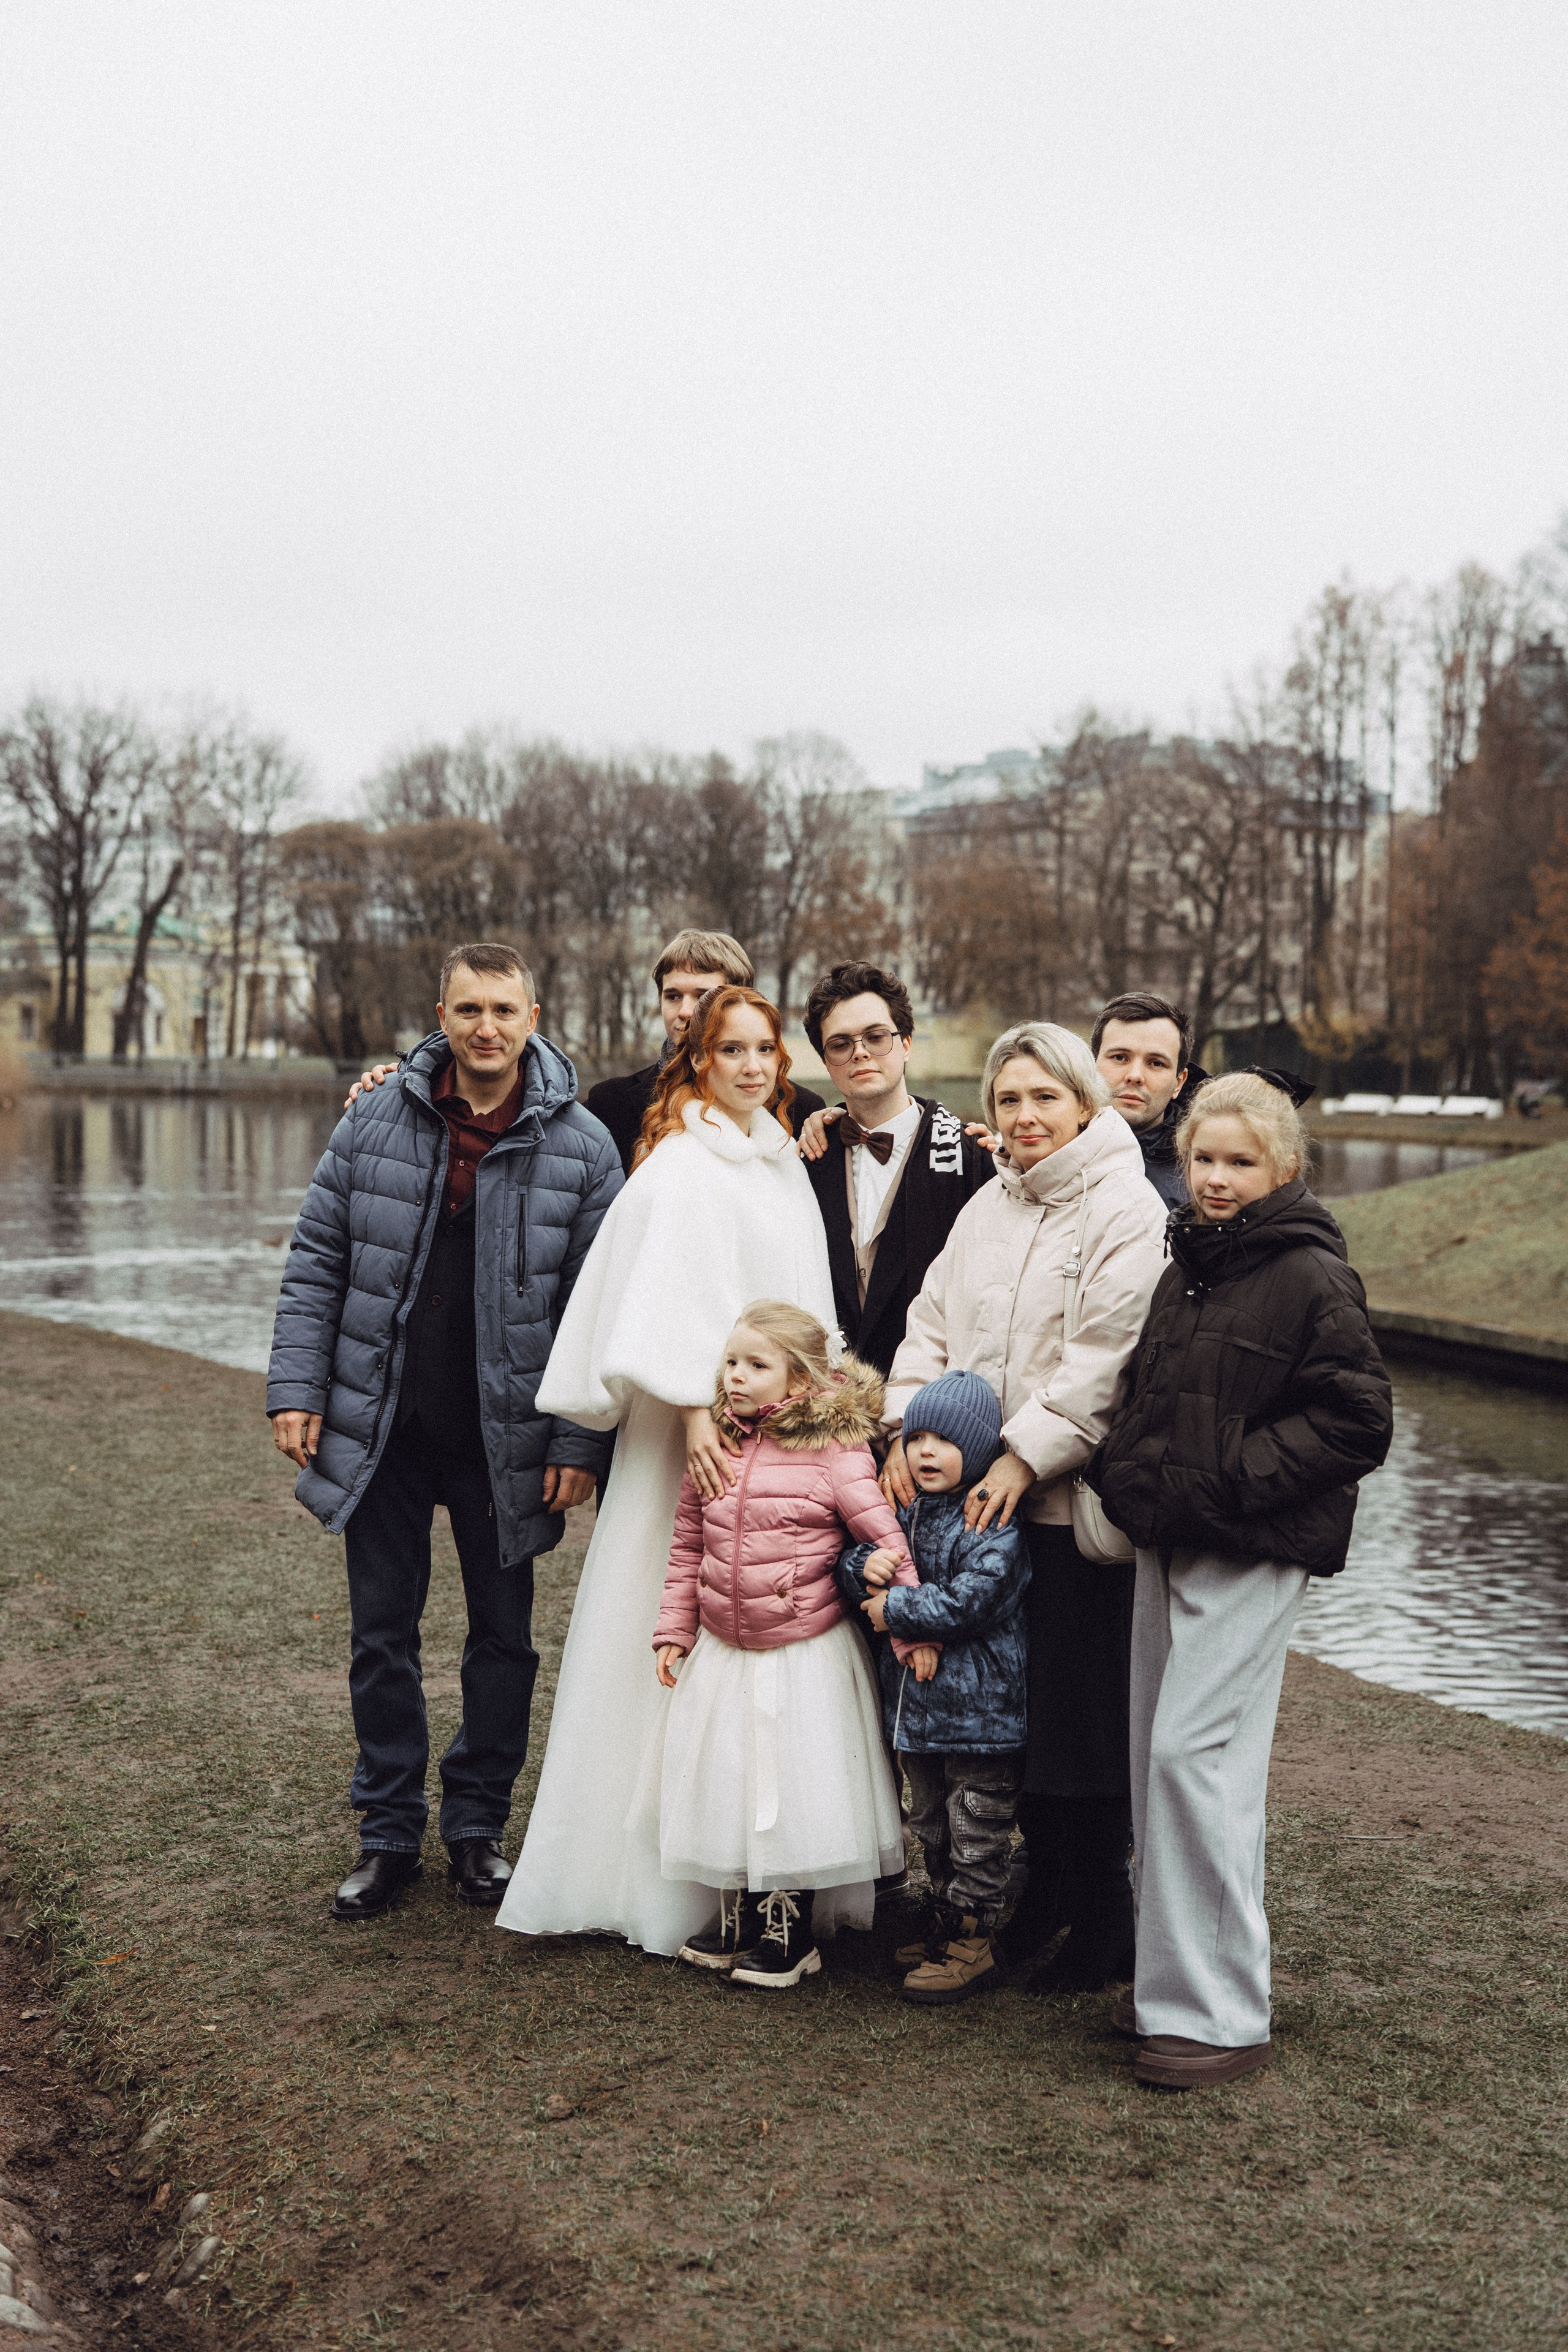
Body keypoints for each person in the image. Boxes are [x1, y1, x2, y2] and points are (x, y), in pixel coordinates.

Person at [266, 944, 623, 1921]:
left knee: (503, 1640)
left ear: (533, 1014)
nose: (486, 1028)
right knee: (381, 1636)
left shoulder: (585, 1146)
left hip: (506, 1439)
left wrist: (577, 1445)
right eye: (468, 1009)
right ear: (442, 1013)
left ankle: (475, 1832)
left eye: (504, 1009)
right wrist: (295, 1391)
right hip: (383, 1424)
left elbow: (600, 1312)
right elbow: (317, 1262)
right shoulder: (375, 1117)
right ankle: (387, 1838)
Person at [495, 986, 842, 1957]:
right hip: (690, 1445)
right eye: (728, 1050)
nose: (749, 1066)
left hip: (785, 1440)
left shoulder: (780, 1164)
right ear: (697, 1060)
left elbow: (801, 1306)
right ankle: (650, 1873)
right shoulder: (679, 1167)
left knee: (770, 1635)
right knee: (670, 1624)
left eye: (763, 1049)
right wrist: (697, 1408)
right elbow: (653, 1306)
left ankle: (761, 1867)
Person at [1084, 1071, 1392, 2090]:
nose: (1215, 1180)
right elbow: (1152, 1392)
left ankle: (1224, 2016)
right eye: (1203, 1160)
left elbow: (1358, 1421)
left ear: (1285, 1169)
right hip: (1173, 1539)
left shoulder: (1310, 1274)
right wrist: (1132, 1473)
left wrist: (1226, 1483)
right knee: (1154, 1766)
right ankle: (1172, 1990)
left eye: (1239, 1163)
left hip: (1250, 1546)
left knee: (1194, 1762)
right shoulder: (1192, 1262)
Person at [882, 1022, 1167, 1995]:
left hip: (1058, 1507)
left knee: (1078, 1725)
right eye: (1008, 1100)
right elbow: (930, 1324)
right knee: (1012, 1721)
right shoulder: (988, 1209)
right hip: (971, 1512)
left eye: (1044, 1097)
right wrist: (904, 1426)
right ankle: (1034, 1901)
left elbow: (1106, 1358)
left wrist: (1018, 1456)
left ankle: (1105, 1917)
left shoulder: (1126, 1207)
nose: (1025, 1116)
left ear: (1085, 1102)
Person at [643, 1303, 916, 1989]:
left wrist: (910, 1623)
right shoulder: (717, 1448)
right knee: (729, 1776)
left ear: (799, 1382)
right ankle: (739, 1913)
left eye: (756, 1365)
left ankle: (788, 1927)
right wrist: (675, 1627)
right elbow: (686, 1547)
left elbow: (885, 1539)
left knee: (789, 1787)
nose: (735, 1377)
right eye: (731, 1362)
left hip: (802, 1652)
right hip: (725, 1649)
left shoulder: (836, 1453)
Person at [838, 1368, 1030, 2007]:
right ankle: (943, 1917)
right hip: (915, 1715)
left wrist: (894, 1610)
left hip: (979, 1717)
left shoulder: (990, 1521)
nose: (923, 1451)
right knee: (930, 1822)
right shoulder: (901, 1510)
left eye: (942, 1441)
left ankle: (973, 1937)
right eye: (915, 1436)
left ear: (975, 1451)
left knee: (976, 1825)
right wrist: (860, 1568)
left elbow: (973, 1601)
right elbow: (853, 1553)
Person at [796, 962, 995, 1376]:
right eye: (841, 1044)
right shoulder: (808, 1160)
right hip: (828, 1400)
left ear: (905, 1044)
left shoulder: (973, 1158)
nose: (860, 1052)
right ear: (827, 1061)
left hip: (931, 1395)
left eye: (875, 1037)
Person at [586, 929, 826, 1174]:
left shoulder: (801, 1110)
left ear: (740, 1000)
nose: (685, 1011)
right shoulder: (612, 1104)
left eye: (703, 996)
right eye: (673, 996)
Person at [1091, 991, 1208, 1208]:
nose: (1135, 1076)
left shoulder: (1204, 1176)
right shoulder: (1044, 1147)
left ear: (1179, 1083)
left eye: (1156, 1063)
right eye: (1119, 1057)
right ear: (1092, 1064)